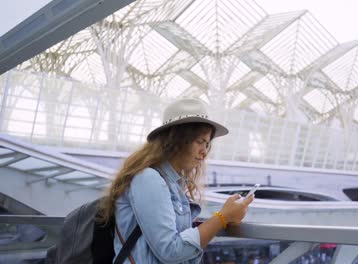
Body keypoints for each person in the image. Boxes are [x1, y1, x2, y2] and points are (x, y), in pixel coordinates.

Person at [97, 98, 254, 263]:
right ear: (176, 140)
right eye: (199, 141)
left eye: (207, 144)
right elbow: (170, 250)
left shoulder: (171, 183)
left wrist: (227, 217)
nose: (204, 151)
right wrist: (222, 217)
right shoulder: (149, 179)